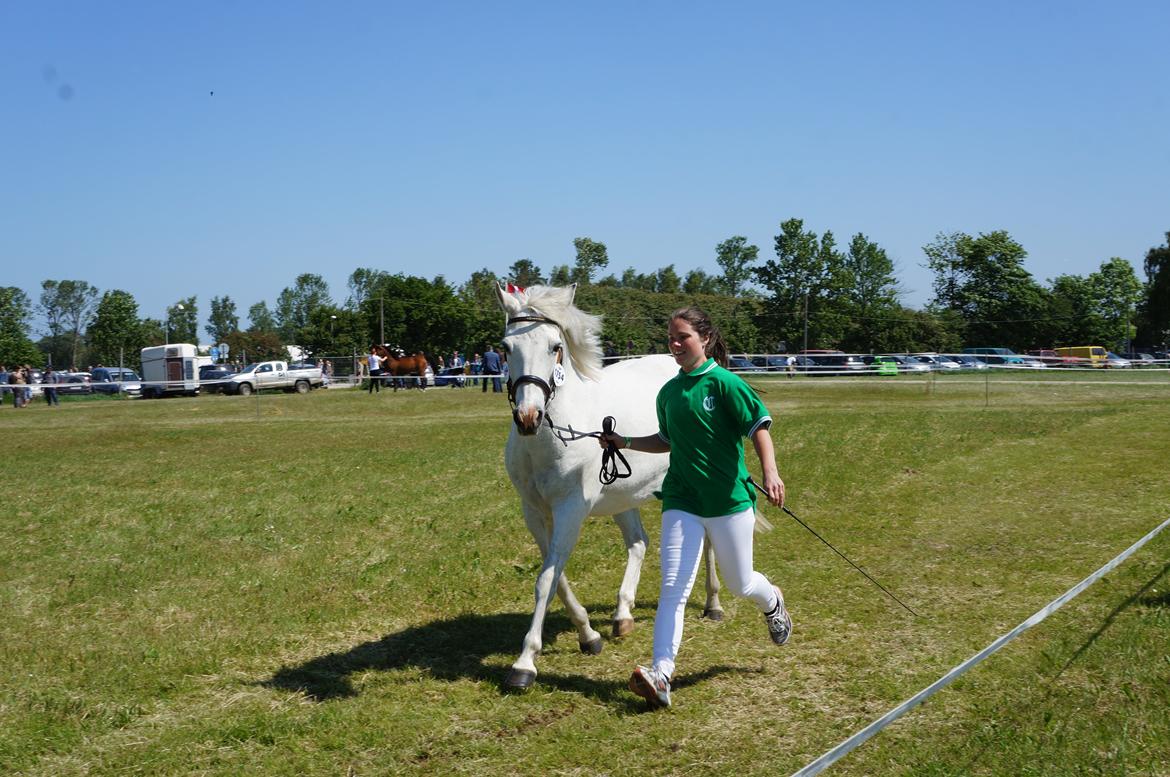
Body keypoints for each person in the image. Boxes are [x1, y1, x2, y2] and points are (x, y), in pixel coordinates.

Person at [598, 306, 792, 709]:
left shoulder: (725, 384)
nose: (675, 344)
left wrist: (771, 473)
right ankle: (661, 674)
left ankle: (772, 600)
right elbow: (666, 440)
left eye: (682, 336)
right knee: (673, 588)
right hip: (682, 500)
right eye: (671, 337)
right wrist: (625, 442)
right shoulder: (669, 392)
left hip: (728, 502)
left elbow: (759, 426)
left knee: (740, 584)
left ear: (704, 338)